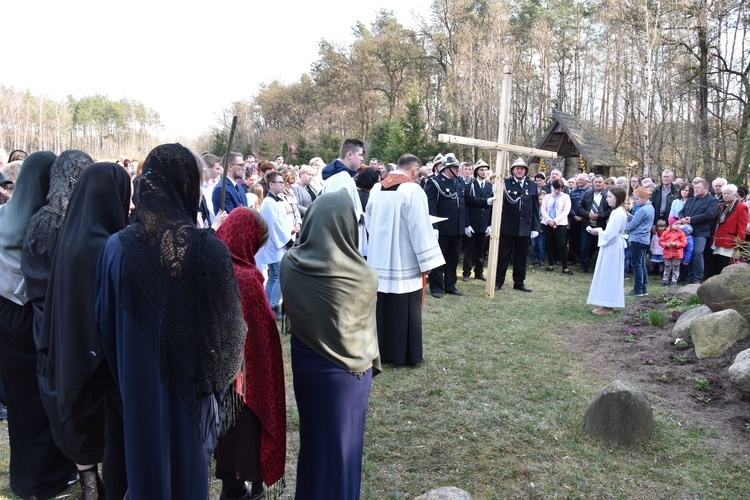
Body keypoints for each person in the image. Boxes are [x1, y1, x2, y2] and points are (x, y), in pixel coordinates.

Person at [95, 143, 246, 499]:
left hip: (136, 386)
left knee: (148, 474)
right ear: (188, 187)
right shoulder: (207, 249)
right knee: (185, 476)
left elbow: (104, 324)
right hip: (190, 395)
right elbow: (229, 334)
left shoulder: (115, 248)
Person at [39, 163, 132, 499]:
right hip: (103, 354)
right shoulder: (107, 245)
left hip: (72, 346)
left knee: (88, 423)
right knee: (118, 427)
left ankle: (90, 484)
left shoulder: (70, 236)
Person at [280, 189, 380, 500]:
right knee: (342, 448)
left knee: (315, 442)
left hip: (307, 367)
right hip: (349, 376)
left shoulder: (289, 265)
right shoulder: (364, 276)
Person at [0, 151, 77, 499]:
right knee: (43, 398)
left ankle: (26, 477)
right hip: (36, 317)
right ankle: (47, 477)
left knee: (20, 403)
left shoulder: (2, 216)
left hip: (5, 315)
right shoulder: (49, 224)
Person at [214, 207, 286, 500]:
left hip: (215, 371)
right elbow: (258, 333)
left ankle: (230, 486)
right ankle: (236, 488)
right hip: (242, 378)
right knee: (241, 432)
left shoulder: (211, 264)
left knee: (224, 434)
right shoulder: (244, 277)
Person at [366, 154, 444, 366]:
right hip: (404, 260)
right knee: (404, 308)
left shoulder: (375, 189)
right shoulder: (413, 190)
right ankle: (404, 354)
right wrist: (428, 262)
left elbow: (370, 224)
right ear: (414, 170)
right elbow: (419, 228)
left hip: (379, 259)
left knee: (383, 306)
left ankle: (382, 351)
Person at [424, 153, 466, 297]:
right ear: (448, 168)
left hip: (456, 228)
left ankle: (450, 285)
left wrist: (486, 201)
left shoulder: (458, 182)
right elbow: (430, 206)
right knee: (438, 259)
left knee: (453, 258)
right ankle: (436, 288)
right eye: (456, 167)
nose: (458, 170)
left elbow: (465, 201)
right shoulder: (435, 182)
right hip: (441, 229)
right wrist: (434, 227)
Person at [494, 157, 540, 291]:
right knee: (503, 256)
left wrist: (535, 227)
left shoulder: (532, 185)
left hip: (525, 226)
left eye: (522, 169)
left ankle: (519, 282)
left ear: (525, 171)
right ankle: (498, 281)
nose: (519, 171)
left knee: (521, 257)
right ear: (513, 170)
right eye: (517, 168)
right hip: (508, 225)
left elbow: (535, 208)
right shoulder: (505, 183)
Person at [256, 171, 294, 320]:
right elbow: (275, 226)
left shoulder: (277, 200)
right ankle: (273, 305)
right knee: (279, 275)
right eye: (280, 182)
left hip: (276, 244)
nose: (283, 185)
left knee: (274, 275)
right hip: (274, 245)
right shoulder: (269, 203)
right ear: (271, 185)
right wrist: (287, 241)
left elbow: (282, 221)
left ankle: (267, 304)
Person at [586, 187, 629, 314]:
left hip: (612, 246)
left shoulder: (617, 213)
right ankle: (607, 304)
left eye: (610, 197)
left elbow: (611, 234)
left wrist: (598, 231)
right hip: (613, 245)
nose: (607, 199)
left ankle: (607, 306)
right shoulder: (619, 211)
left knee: (609, 274)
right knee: (609, 273)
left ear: (618, 198)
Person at [678, 178, 718, 283]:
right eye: (694, 187)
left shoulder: (712, 200)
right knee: (687, 253)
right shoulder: (691, 200)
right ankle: (687, 277)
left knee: (697, 253)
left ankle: (697, 278)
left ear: (706, 188)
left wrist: (692, 220)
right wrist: (682, 219)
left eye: (698, 188)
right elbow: (681, 212)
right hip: (687, 232)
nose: (695, 189)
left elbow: (709, 214)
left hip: (701, 232)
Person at [462, 159, 494, 282]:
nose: (484, 172)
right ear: (476, 171)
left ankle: (479, 272)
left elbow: (492, 208)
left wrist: (490, 224)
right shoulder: (469, 186)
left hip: (484, 223)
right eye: (481, 169)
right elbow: (466, 206)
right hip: (472, 223)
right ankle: (466, 272)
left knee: (481, 251)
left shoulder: (490, 187)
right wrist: (467, 224)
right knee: (469, 250)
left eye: (486, 169)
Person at [709, 183, 748, 276]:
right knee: (716, 263)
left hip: (729, 240)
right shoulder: (721, 206)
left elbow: (742, 227)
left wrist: (738, 244)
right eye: (724, 193)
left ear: (734, 194)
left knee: (724, 264)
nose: (725, 195)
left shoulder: (741, 207)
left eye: (728, 193)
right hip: (717, 239)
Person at [578, 175, 612, 272]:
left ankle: (598, 267)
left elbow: (610, 210)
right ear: (593, 183)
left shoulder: (607, 196)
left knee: (599, 247)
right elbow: (580, 208)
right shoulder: (586, 194)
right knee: (585, 246)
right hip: (587, 224)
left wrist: (599, 215)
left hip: (601, 225)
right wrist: (588, 214)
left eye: (600, 182)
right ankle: (584, 266)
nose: (597, 184)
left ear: (603, 183)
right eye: (596, 182)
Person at [626, 187, 655, 297]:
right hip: (644, 239)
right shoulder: (650, 208)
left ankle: (638, 289)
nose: (635, 201)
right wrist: (631, 217)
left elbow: (633, 225)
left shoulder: (643, 209)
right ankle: (643, 288)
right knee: (641, 263)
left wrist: (624, 226)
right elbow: (638, 221)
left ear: (645, 197)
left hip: (637, 239)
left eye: (637, 199)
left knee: (637, 264)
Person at [540, 178, 572, 275]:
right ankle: (551, 264)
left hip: (560, 224)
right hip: (547, 223)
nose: (557, 191)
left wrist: (555, 221)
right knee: (550, 244)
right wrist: (549, 220)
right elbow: (543, 210)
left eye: (559, 189)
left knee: (562, 245)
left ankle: (565, 267)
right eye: (556, 189)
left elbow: (566, 211)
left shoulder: (566, 197)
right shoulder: (547, 197)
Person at [659, 217, 688, 286]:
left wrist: (676, 244)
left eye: (679, 224)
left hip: (677, 254)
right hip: (667, 253)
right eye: (676, 224)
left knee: (676, 267)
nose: (678, 225)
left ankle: (674, 280)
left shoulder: (681, 233)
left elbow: (684, 243)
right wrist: (666, 244)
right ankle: (665, 280)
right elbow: (661, 241)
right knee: (667, 267)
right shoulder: (665, 232)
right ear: (671, 225)